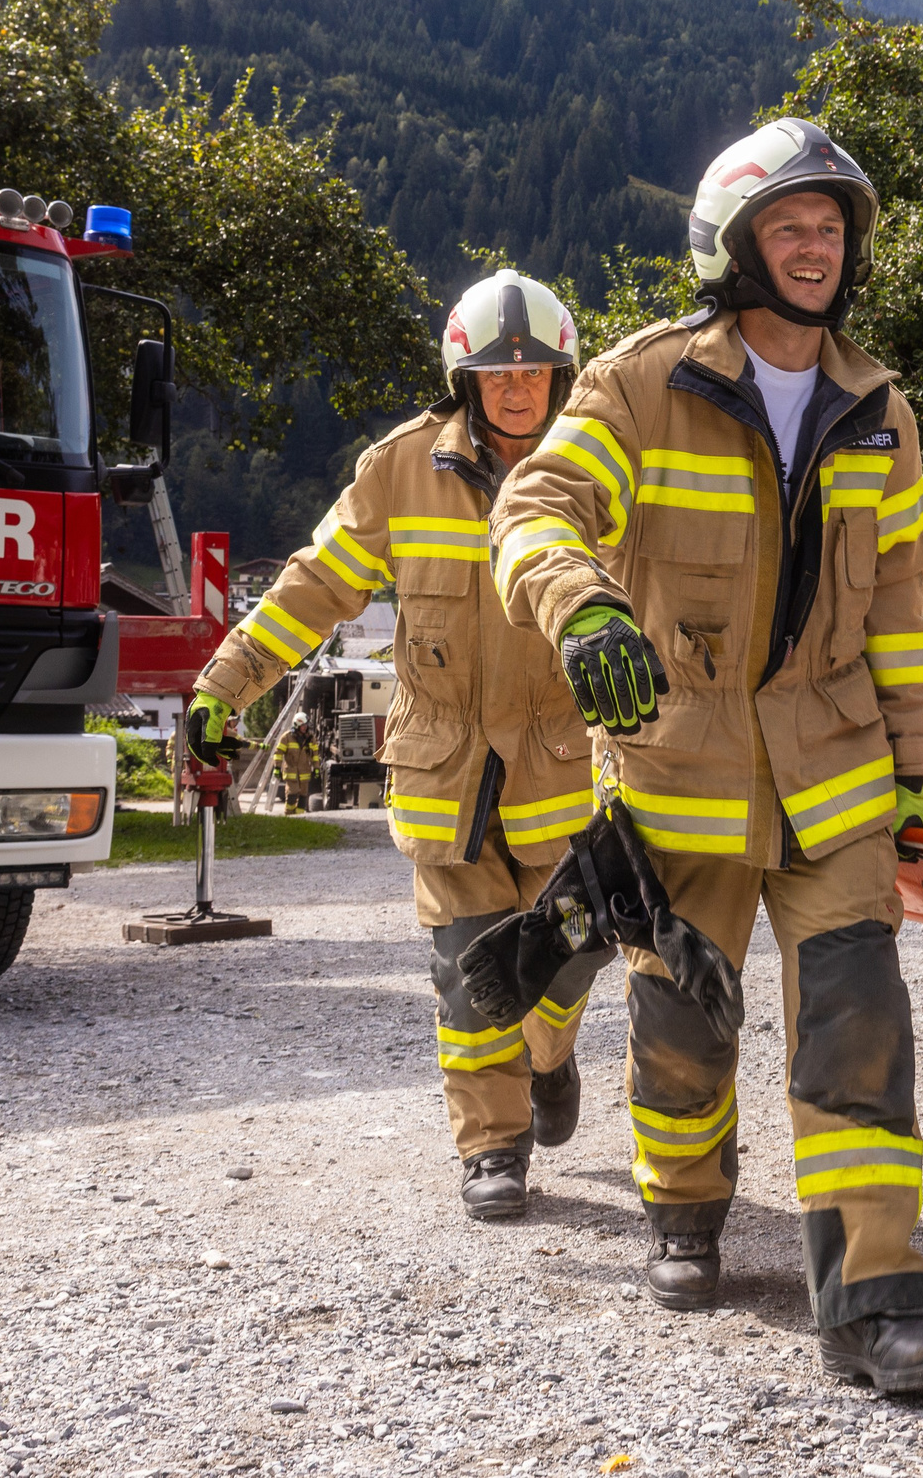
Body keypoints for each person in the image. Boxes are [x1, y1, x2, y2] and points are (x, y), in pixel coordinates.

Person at [490, 118, 923, 1391]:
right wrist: (582, 604)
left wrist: (918, 766)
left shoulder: (880, 408)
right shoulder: (643, 384)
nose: (815, 250)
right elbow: (532, 508)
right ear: (734, 245)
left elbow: (899, 606)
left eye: (831, 229)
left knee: (860, 1029)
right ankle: (684, 1208)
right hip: (677, 769)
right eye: (789, 228)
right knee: (685, 1021)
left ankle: (874, 1297)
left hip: (839, 776)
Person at [186, 269, 605, 1222]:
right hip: (446, 773)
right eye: (496, 370)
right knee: (468, 969)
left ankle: (551, 1055)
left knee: (569, 956)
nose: (515, 386)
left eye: (534, 370)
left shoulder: (596, 469)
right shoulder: (400, 468)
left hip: (557, 770)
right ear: (464, 377)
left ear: (560, 376)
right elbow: (315, 585)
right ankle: (493, 1148)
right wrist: (226, 681)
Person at [274, 722, 317, 813]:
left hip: (304, 772)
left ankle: (299, 817)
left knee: (303, 796)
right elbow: (278, 753)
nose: (305, 727)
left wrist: (316, 768)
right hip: (291, 771)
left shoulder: (310, 738)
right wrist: (277, 768)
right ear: (296, 725)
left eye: (306, 725)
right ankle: (289, 816)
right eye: (302, 725)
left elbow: (315, 755)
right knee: (291, 794)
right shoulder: (287, 737)